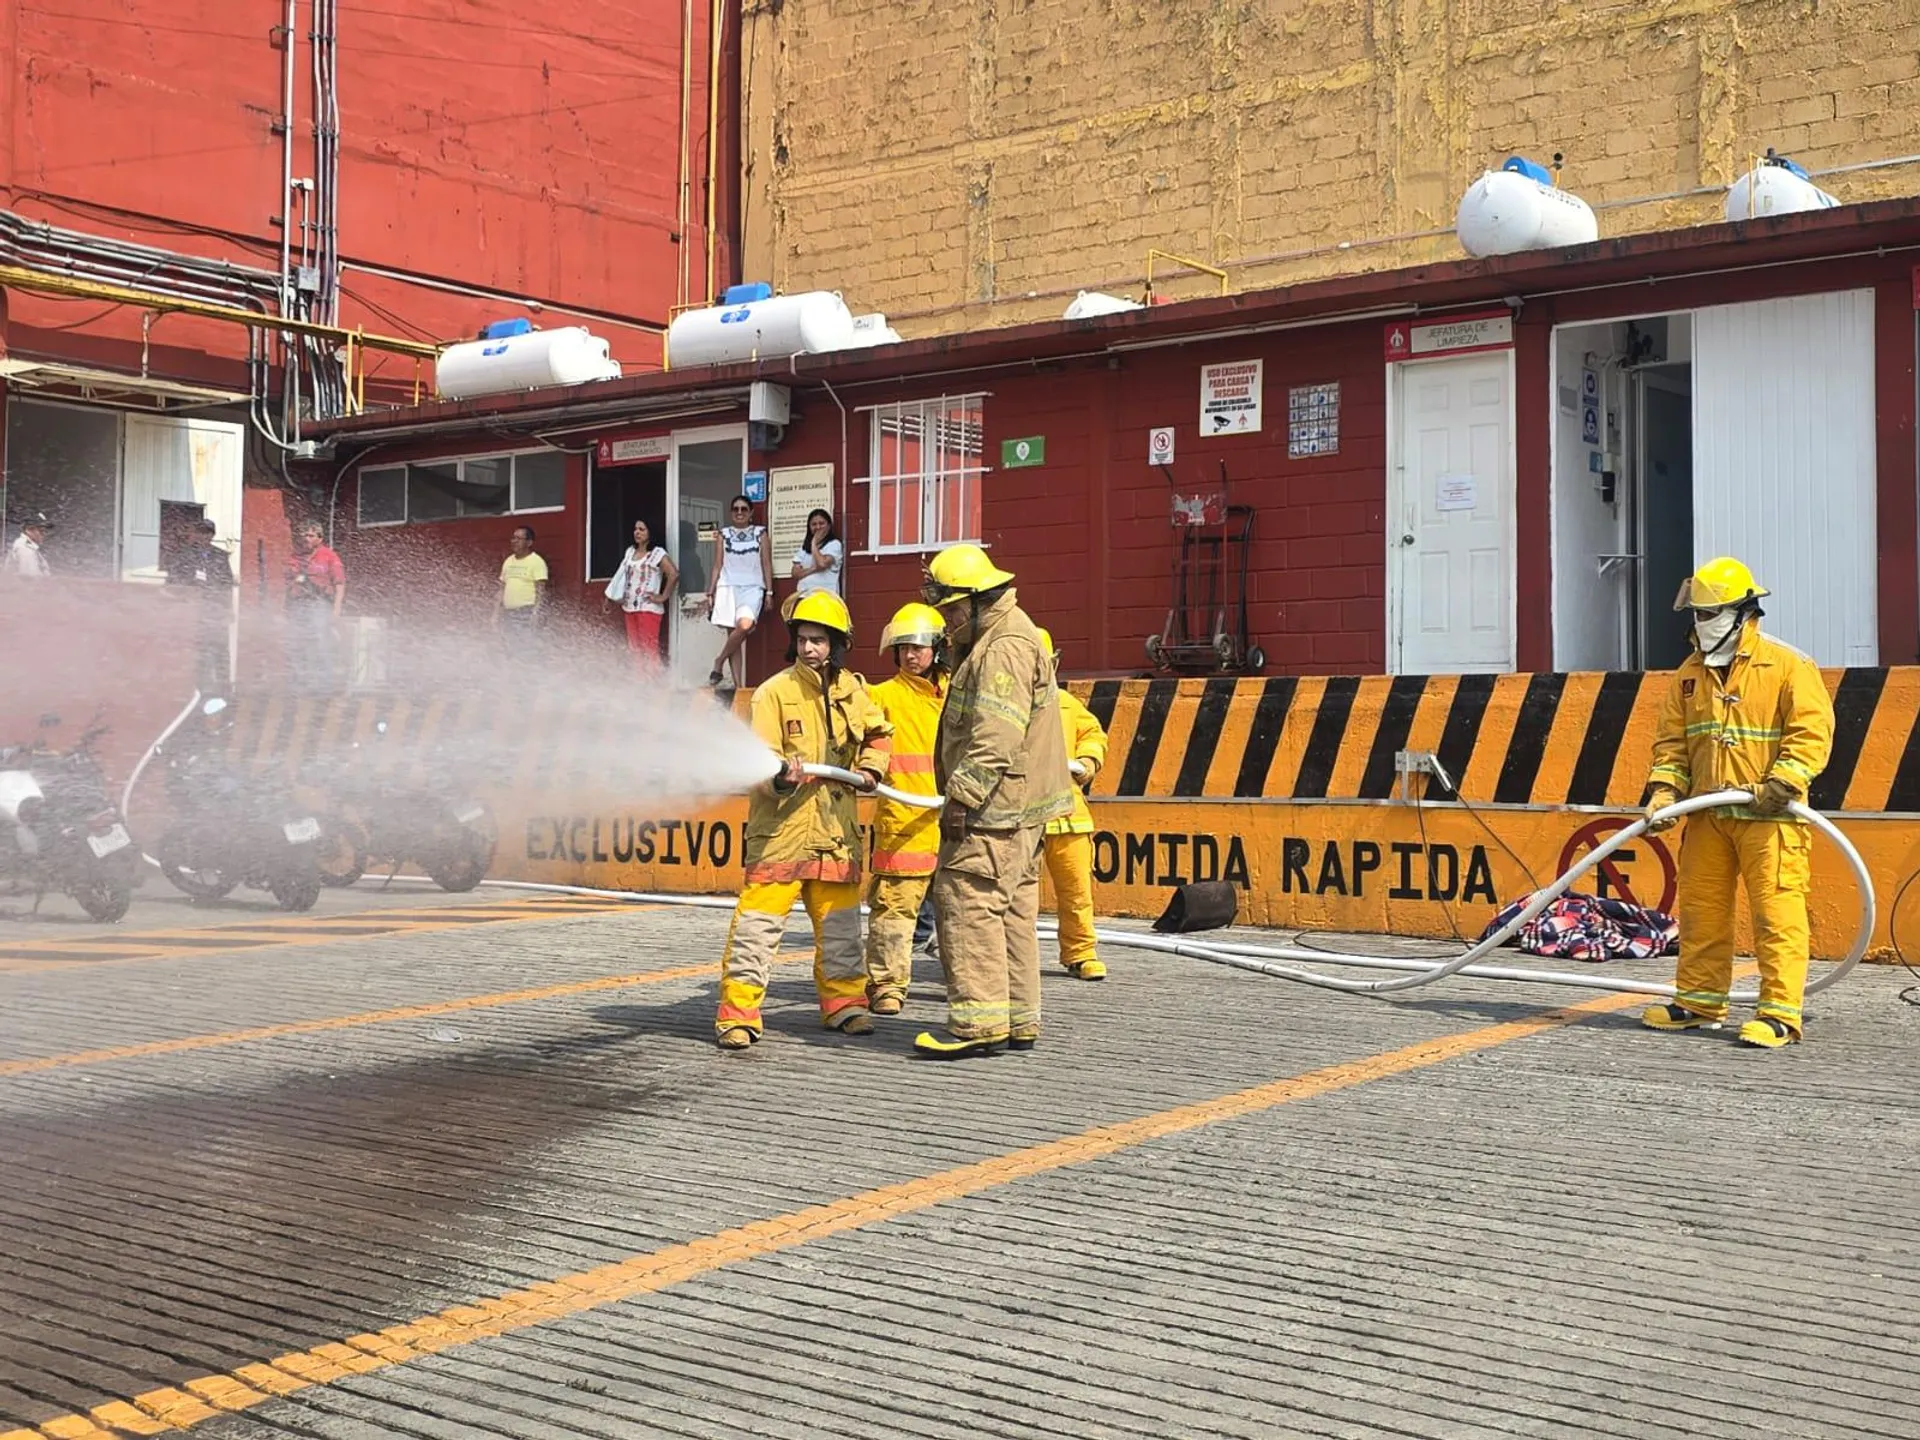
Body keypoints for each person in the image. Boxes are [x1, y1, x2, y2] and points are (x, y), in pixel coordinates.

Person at [1639, 557, 1834, 1050]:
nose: (1700, 625)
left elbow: (1811, 734)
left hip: (1770, 818)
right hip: (1707, 816)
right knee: (1703, 913)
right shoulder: (1690, 675)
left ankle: (1779, 1014)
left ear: (1744, 612)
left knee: (1776, 914)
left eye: (1709, 615)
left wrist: (1783, 784)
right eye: (1697, 616)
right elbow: (1673, 747)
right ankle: (1700, 1003)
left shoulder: (1788, 665)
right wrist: (1665, 794)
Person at [913, 544, 1074, 1059]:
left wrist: (960, 798)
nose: (949, 621)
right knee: (1010, 913)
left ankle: (977, 1025)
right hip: (1019, 811)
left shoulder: (1000, 647)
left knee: (968, 905)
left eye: (953, 610)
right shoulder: (1006, 633)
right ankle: (1017, 1020)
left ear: (979, 600)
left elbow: (994, 738)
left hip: (993, 809)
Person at [716, 589, 893, 1050]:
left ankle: (846, 1006)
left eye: (819, 640)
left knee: (840, 931)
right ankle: (738, 1016)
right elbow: (759, 761)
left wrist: (872, 768)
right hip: (781, 833)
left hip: (835, 835)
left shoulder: (855, 691)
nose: (810, 648)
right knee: (756, 931)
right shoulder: (775, 693)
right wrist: (780, 777)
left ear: (837, 643)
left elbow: (879, 734)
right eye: (803, 639)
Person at [861, 602, 947, 1015]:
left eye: (919, 647)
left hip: (955, 821)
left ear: (938, 649)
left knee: (962, 911)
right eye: (903, 648)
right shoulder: (881, 696)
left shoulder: (957, 694)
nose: (910, 655)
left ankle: (966, 982)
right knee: (894, 910)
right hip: (905, 822)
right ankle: (887, 986)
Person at [1035, 627, 1110, 982]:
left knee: (1077, 892)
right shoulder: (1004, 707)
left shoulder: (1067, 705)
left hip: (1068, 816)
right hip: (1022, 819)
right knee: (1016, 899)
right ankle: (1008, 959)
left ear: (1054, 663)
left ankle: (1080, 953)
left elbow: (1093, 734)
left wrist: (1089, 761)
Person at [708, 495, 772, 693]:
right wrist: (711, 591)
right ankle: (739, 687)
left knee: (744, 626)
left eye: (744, 509)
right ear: (731, 512)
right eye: (735, 509)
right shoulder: (723, 534)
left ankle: (718, 661)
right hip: (728, 586)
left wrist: (769, 591)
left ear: (751, 512)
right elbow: (718, 565)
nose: (739, 512)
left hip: (752, 586)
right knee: (733, 639)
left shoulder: (760, 533)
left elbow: (766, 563)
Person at [166, 516, 235, 691]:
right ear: (196, 533)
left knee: (219, 648)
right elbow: (173, 581)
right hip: (193, 610)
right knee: (198, 649)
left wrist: (229, 608)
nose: (204, 536)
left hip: (215, 610)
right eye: (201, 532)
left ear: (212, 535)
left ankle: (223, 686)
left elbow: (227, 584)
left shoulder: (220, 555)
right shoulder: (184, 554)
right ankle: (198, 686)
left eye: (208, 532)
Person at [603, 518, 677, 674]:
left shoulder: (656, 553)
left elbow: (673, 574)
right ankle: (639, 685)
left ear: (651, 532)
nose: (637, 532)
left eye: (642, 529)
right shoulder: (630, 551)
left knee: (649, 649)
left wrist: (663, 596)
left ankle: (654, 686)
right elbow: (619, 576)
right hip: (629, 608)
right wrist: (609, 597)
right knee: (635, 650)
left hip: (648, 609)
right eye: (636, 529)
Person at [286, 520, 345, 694]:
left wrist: (336, 610)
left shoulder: (329, 556)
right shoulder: (294, 557)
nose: (306, 538)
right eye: (304, 535)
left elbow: (340, 584)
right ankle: (298, 685)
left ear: (320, 538)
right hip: (297, 604)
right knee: (295, 643)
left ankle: (324, 686)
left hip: (319, 604)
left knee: (320, 642)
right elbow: (287, 582)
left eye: (311, 535)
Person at [497, 526, 548, 634]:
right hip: (508, 612)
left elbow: (541, 591)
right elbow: (502, 589)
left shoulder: (536, 562)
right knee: (509, 644)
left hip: (526, 612)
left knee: (525, 645)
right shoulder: (508, 561)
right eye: (513, 538)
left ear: (529, 542)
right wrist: (496, 612)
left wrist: (537, 613)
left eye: (519, 539)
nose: (514, 541)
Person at [790, 508, 843, 598]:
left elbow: (822, 563)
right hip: (804, 596)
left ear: (829, 526)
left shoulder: (834, 544)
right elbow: (795, 573)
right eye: (814, 524)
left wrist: (814, 543)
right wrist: (814, 569)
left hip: (825, 597)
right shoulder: (804, 549)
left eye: (821, 523)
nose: (818, 527)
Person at [3, 513, 53, 579]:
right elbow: (31, 580)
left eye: (45, 531)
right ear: (29, 530)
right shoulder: (25, 548)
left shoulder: (28, 546)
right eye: (41, 530)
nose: (44, 533)